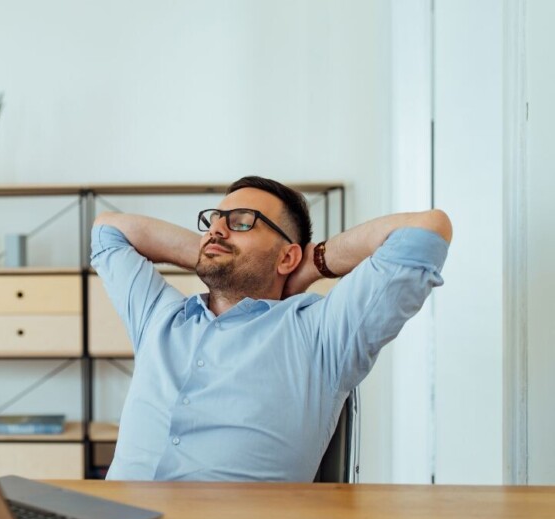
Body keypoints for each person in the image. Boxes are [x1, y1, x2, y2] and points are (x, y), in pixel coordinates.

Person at [91, 176, 452, 482]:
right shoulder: (160, 317)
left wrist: (313, 263)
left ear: (287, 256)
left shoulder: (321, 332)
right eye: (214, 222)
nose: (216, 229)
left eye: (242, 222)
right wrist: (211, 253)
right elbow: (108, 231)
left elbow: (425, 232)